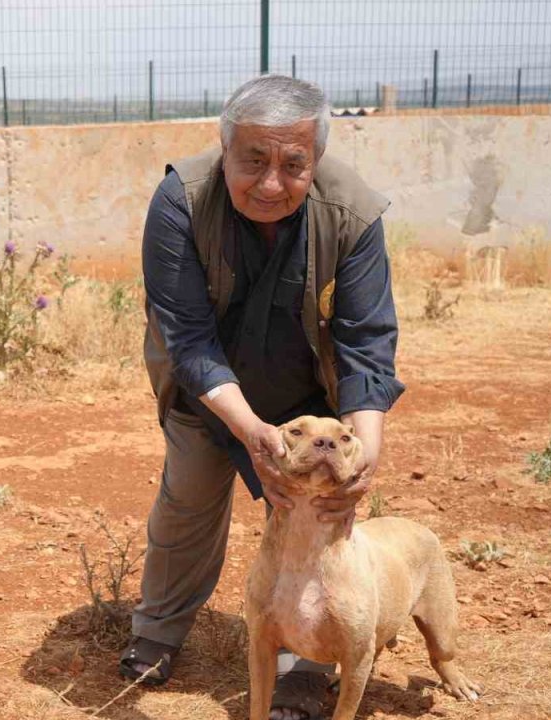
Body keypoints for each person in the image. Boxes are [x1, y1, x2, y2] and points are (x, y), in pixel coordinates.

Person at [124, 75, 404, 720]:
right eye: (253, 160)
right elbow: (187, 335)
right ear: (225, 151)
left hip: (312, 394)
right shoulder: (180, 200)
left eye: (293, 165)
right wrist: (253, 432)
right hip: (208, 387)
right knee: (190, 494)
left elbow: (367, 343)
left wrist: (362, 451)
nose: (271, 183)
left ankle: (305, 662)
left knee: (325, 512)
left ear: (317, 162)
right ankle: (158, 631)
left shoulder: (353, 212)